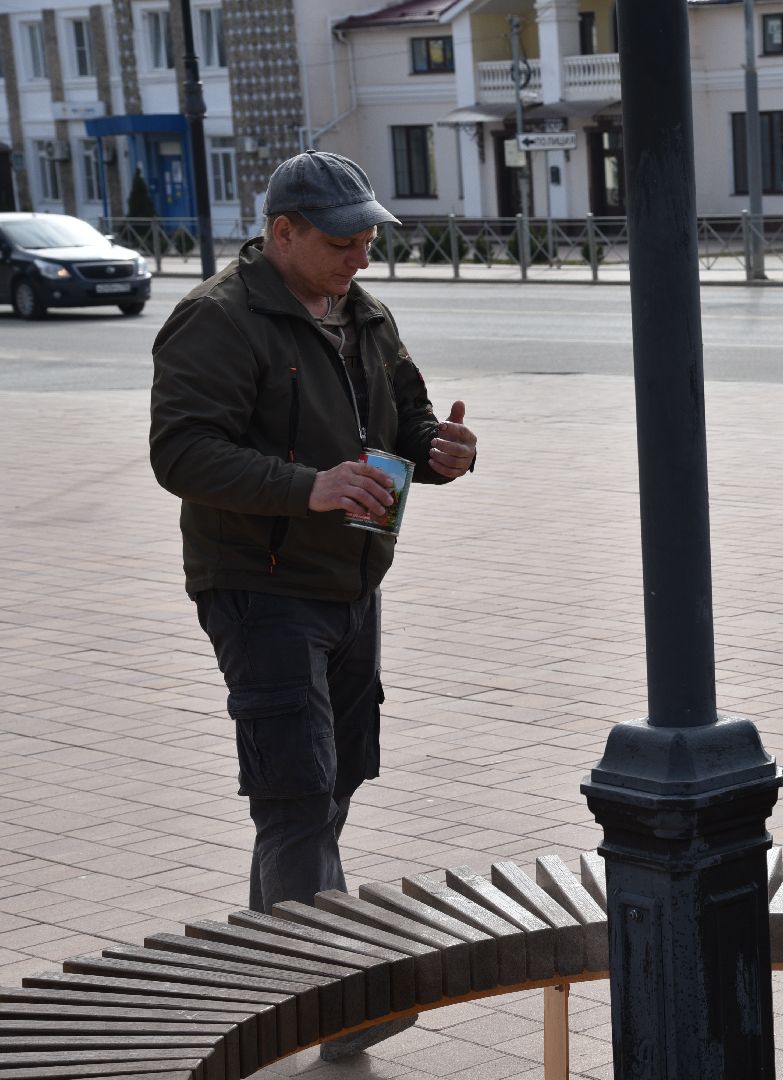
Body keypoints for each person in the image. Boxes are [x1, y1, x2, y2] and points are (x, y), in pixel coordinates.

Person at [149, 150, 477, 1060]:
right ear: (280, 233)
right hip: (260, 587)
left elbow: (403, 427)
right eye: (343, 241)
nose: (362, 255)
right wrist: (310, 488)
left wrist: (444, 450)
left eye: (370, 236)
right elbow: (180, 454)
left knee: (329, 787)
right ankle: (340, 1002)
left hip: (351, 582)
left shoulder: (363, 313)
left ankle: (263, 980)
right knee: (295, 797)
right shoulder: (215, 322)